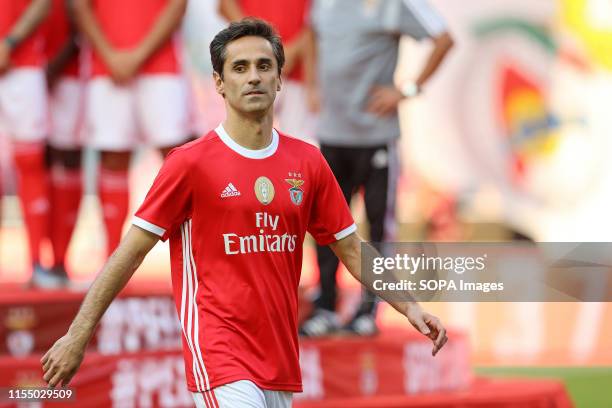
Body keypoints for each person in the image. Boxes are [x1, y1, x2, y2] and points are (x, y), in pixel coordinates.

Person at [41, 19, 447, 408]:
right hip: (219, 353)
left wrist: (410, 306)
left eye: (264, 66)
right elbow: (129, 254)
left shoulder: (308, 163)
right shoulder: (189, 164)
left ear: (279, 79)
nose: (253, 76)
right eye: (239, 67)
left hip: (279, 359)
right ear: (219, 83)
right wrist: (77, 336)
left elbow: (353, 250)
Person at [300, 0, 454, 336]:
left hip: (375, 136)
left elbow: (444, 39)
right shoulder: (323, 4)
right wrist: (312, 86)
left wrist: (407, 90)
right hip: (331, 133)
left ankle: (369, 309)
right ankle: (325, 305)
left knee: (377, 229)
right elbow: (310, 34)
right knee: (325, 225)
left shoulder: (393, 4)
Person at [72, 0, 191, 256]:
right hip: (107, 67)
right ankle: (112, 262)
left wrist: (138, 54)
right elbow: (80, 6)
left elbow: (178, 5)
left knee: (178, 160)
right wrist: (110, 54)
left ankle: (193, 256)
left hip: (161, 67)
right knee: (114, 157)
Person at [0, 0, 53, 285]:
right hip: (17, 63)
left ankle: (36, 265)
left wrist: (8, 42)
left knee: (30, 161)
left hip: (21, 63)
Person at [218, 0, 317, 143]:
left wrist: (312, 82)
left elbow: (316, 21)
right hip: (251, 68)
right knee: (242, 143)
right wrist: (260, 46)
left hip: (298, 71)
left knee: (301, 148)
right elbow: (225, 5)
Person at [45, 0, 84, 284]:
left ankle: (59, 261)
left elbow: (79, 26)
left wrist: (49, 70)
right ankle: (38, 261)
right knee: (34, 164)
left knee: (67, 159)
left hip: (65, 75)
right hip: (21, 71)